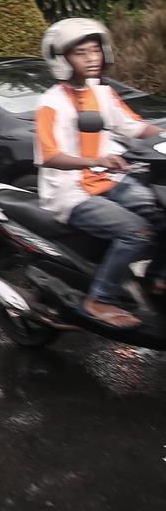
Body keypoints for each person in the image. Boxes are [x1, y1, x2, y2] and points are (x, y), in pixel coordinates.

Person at [36, 18, 166, 328]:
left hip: (112, 180)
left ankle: (157, 278)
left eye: (95, 50)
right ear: (62, 59)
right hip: (71, 192)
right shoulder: (51, 103)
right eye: (82, 53)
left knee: (163, 212)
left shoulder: (102, 92)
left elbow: (134, 126)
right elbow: (49, 155)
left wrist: (162, 135)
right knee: (136, 232)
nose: (92, 58)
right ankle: (99, 299)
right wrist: (96, 160)